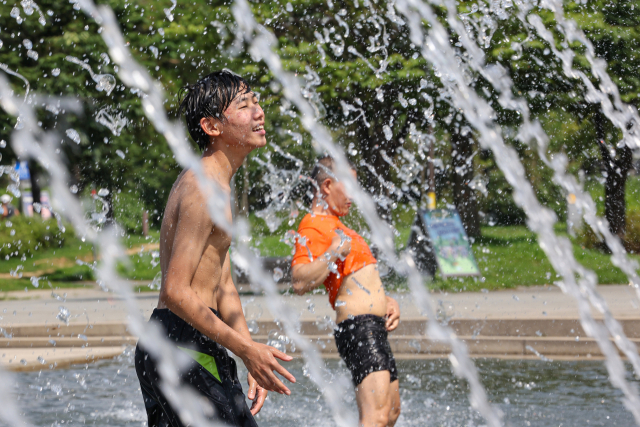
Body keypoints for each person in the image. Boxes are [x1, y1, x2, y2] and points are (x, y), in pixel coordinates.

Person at [135, 70, 296, 427]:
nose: (258, 112)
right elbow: (176, 291)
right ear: (212, 126)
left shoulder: (217, 185)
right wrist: (245, 350)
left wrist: (250, 352)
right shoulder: (204, 188)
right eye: (244, 105)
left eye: (255, 101)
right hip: (181, 343)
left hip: (177, 342)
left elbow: (223, 284)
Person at [291, 156, 401, 427]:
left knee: (390, 413)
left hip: (374, 325)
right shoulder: (314, 224)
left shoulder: (341, 227)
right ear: (327, 185)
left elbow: (354, 279)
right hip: (359, 327)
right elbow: (299, 280)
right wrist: (333, 252)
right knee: (375, 417)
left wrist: (386, 300)